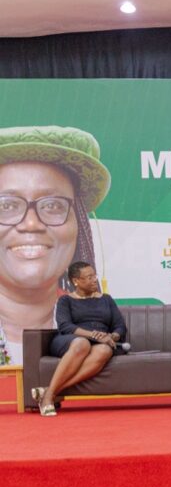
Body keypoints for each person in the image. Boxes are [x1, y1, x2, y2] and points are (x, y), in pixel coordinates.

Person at [0, 126, 107, 364]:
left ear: (79, 224)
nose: (31, 224)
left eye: (53, 205)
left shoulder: (98, 327)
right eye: (6, 206)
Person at [30, 261, 124, 416]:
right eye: (89, 277)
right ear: (76, 281)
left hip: (100, 342)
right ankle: (49, 396)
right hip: (70, 340)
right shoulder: (65, 300)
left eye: (94, 276)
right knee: (82, 344)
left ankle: (50, 392)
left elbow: (119, 326)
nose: (94, 280)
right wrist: (93, 334)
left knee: (105, 350)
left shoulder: (106, 299)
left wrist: (111, 336)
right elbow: (65, 326)